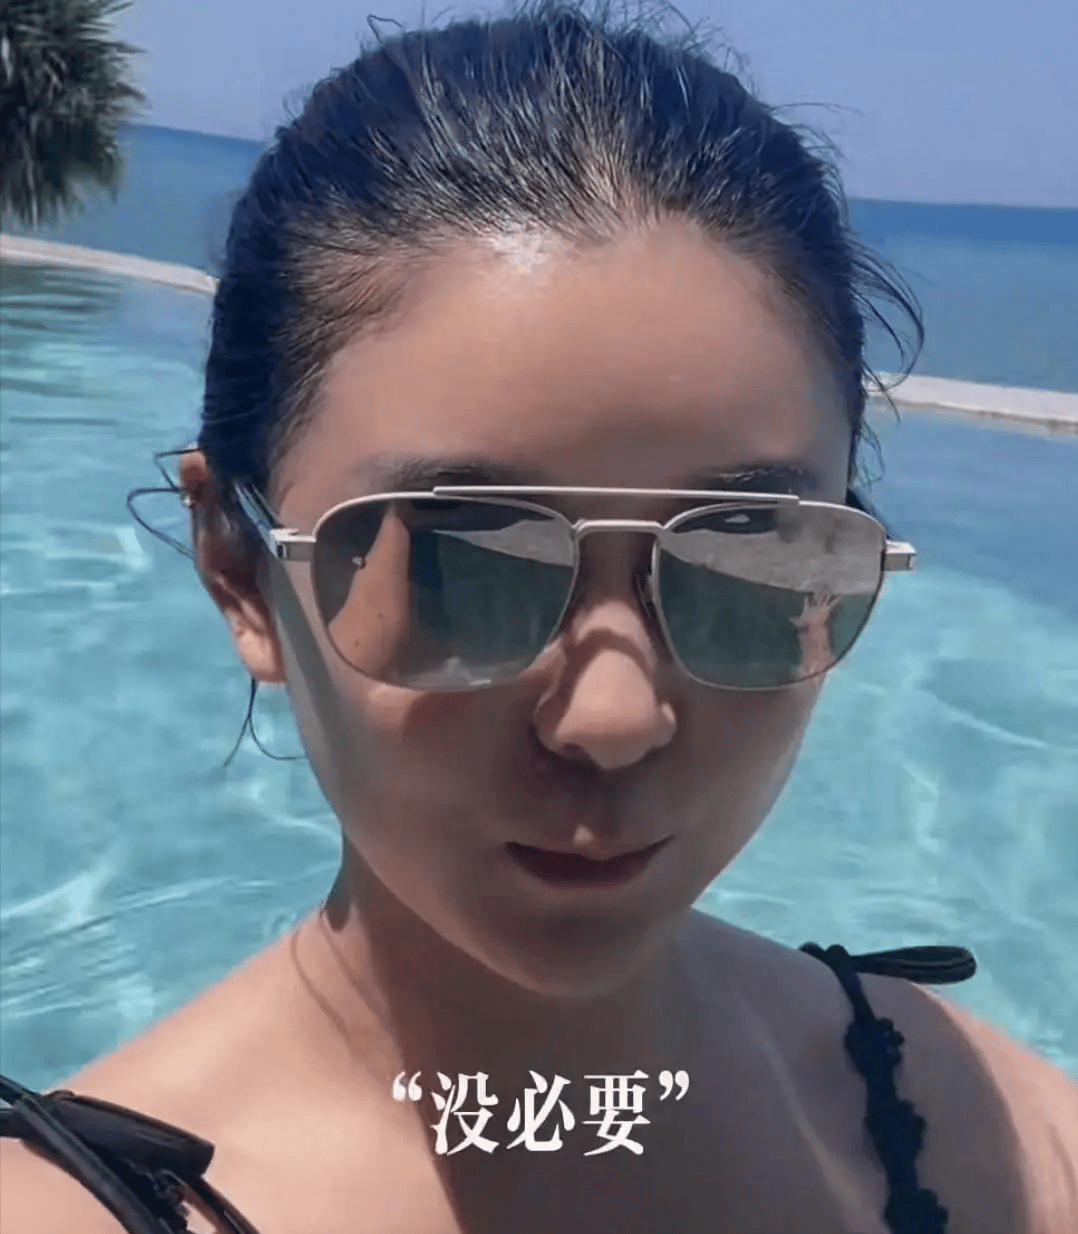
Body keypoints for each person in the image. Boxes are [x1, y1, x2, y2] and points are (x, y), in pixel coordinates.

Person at [2, 4, 1076, 1232]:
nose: (613, 717)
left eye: (750, 559)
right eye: (459, 563)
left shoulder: (992, 1141)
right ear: (238, 566)